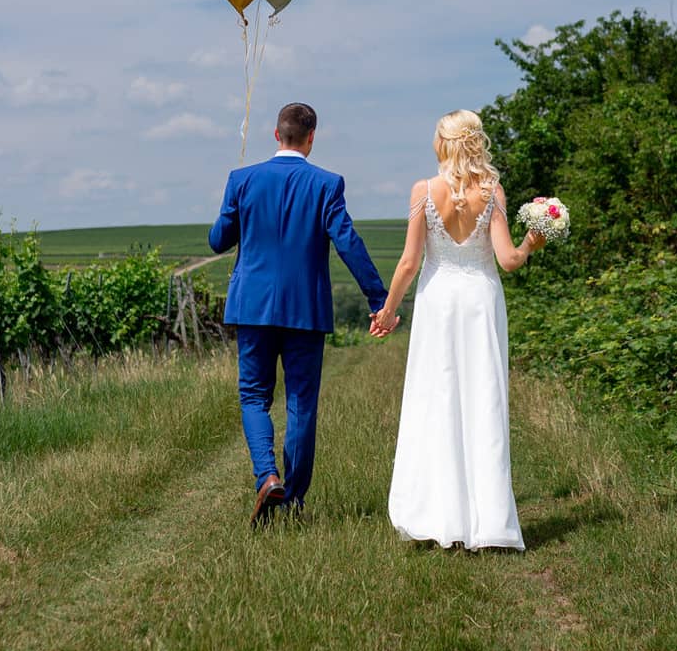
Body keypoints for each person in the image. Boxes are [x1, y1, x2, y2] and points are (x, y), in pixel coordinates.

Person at [210, 102, 391, 526]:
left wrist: (230, 210)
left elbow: (218, 240)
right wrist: (377, 299)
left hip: (252, 309)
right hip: (306, 311)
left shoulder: (242, 180)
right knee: (300, 402)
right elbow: (349, 243)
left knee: (254, 395)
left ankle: (266, 475)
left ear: (276, 135)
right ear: (312, 137)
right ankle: (292, 500)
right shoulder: (327, 184)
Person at [373, 110, 543, 550]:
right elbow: (508, 261)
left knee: (436, 400)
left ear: (443, 143)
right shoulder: (493, 192)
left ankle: (436, 514)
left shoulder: (423, 191)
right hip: (481, 302)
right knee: (483, 399)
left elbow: (410, 263)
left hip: (439, 303)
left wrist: (389, 310)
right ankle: (488, 524)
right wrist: (531, 242)